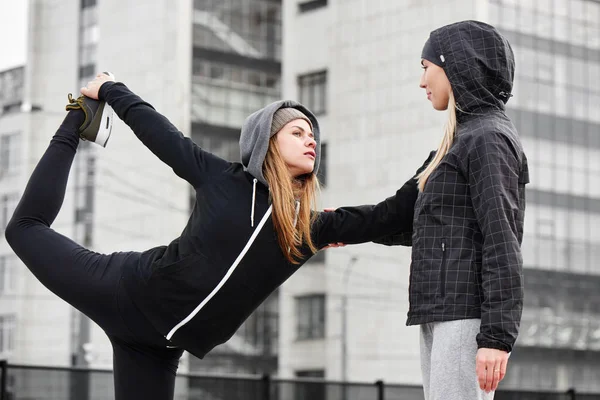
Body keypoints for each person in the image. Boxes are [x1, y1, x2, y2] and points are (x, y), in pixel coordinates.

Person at [5, 73, 433, 400]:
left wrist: (439, 160)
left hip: (156, 349)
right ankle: (77, 120)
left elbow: (387, 215)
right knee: (23, 230)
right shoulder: (223, 180)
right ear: (267, 140)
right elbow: (161, 134)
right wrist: (111, 90)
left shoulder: (310, 228)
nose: (311, 142)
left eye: (314, 136)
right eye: (297, 132)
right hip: (122, 288)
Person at [398, 20, 529, 399]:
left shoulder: (487, 138)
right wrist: (326, 227)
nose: (422, 82)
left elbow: (502, 240)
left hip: (463, 317)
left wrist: (496, 338)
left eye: (425, 68)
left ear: (452, 64)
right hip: (440, 313)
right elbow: (403, 217)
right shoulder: (461, 139)